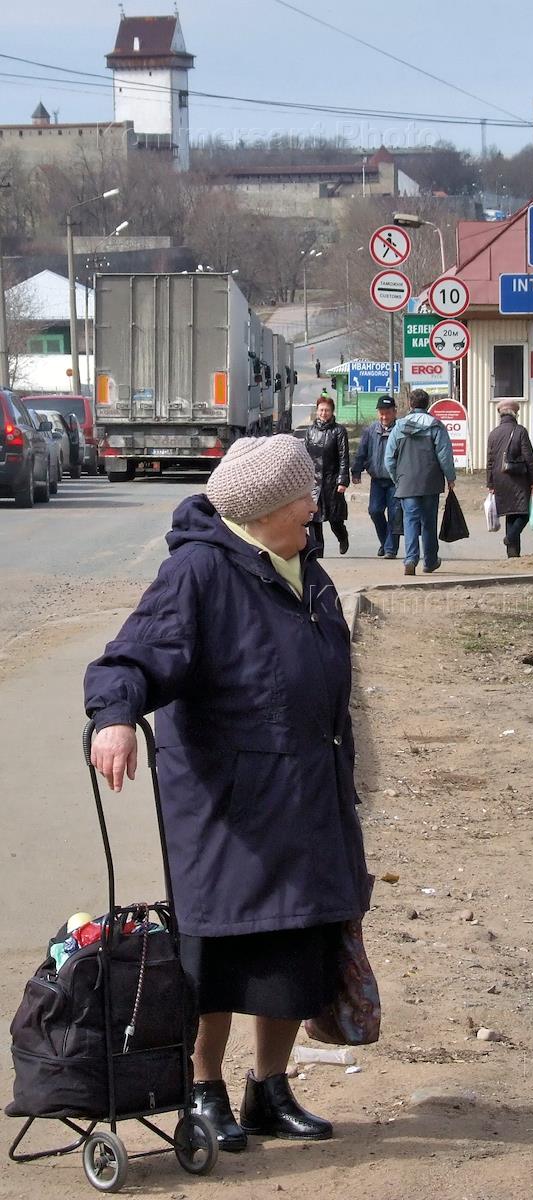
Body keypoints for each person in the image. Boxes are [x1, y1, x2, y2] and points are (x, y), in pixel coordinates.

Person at [84, 435, 371, 1153]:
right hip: (231, 807)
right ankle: (205, 1089)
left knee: (294, 948)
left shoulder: (307, 570)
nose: (317, 504)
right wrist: (115, 716)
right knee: (218, 956)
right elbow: (130, 656)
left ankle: (269, 1091)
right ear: (269, 505)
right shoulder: (198, 574)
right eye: (306, 494)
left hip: (307, 793)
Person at [384, 388, 455, 576]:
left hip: (406, 482)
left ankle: (411, 559)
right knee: (429, 521)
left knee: (410, 520)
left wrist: (397, 478)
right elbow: (444, 455)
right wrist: (450, 477)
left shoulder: (399, 426)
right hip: (430, 481)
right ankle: (430, 561)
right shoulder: (436, 425)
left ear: (410, 404)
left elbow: (389, 458)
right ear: (427, 404)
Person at [486, 400, 533, 558]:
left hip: (499, 479)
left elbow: (490, 461)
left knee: (510, 513)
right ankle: (510, 538)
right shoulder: (520, 431)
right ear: (515, 414)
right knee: (524, 513)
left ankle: (513, 554)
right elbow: (529, 457)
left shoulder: (493, 434)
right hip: (518, 478)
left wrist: (490, 483)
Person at [351, 395, 401, 559]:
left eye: (387, 413)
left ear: (394, 412)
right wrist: (356, 471)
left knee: (394, 515)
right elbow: (361, 452)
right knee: (375, 511)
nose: (384, 417)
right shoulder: (371, 430)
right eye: (381, 413)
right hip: (377, 479)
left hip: (396, 481)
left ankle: (390, 549)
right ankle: (386, 542)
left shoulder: (400, 430)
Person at [305, 394, 350, 555]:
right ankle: (318, 551)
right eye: (321, 410)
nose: (324, 413)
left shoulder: (338, 431)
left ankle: (342, 537)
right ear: (317, 411)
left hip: (332, 481)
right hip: (314, 482)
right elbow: (305, 456)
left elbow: (344, 457)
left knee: (334, 519)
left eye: (327, 410)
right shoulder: (310, 431)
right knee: (314, 519)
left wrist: (342, 480)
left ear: (332, 412)